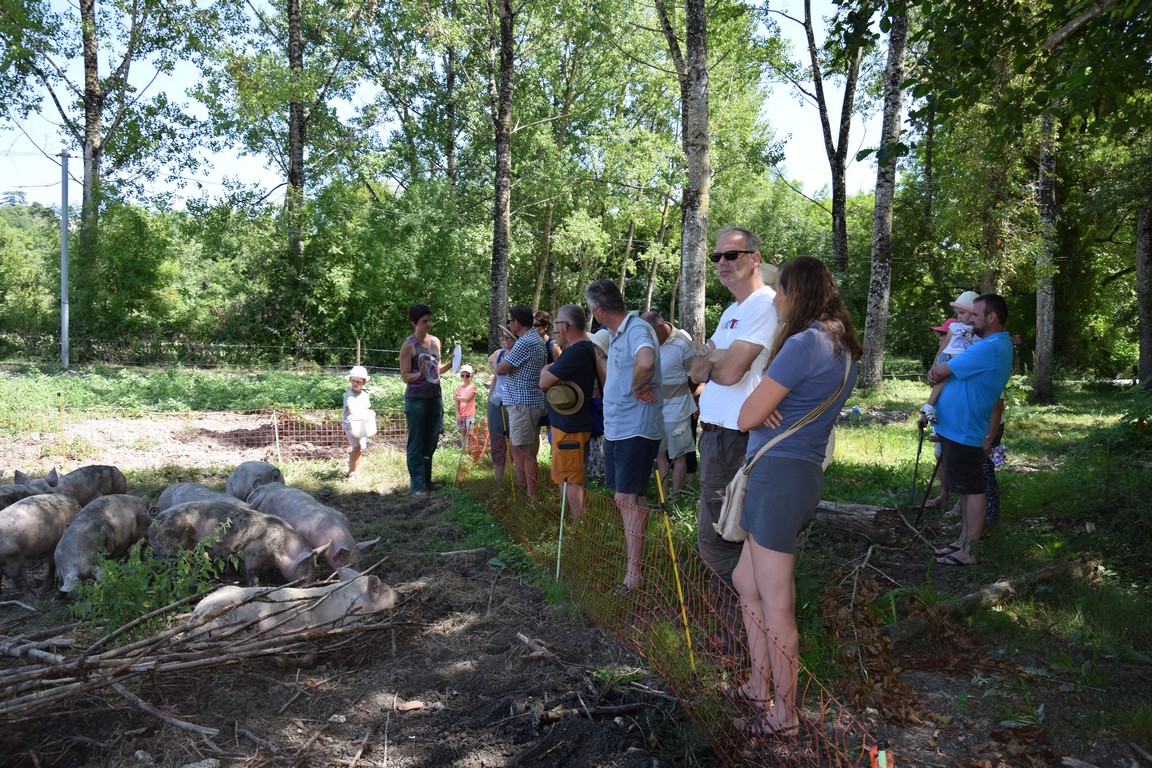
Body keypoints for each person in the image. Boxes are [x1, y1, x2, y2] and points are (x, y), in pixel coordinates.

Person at [729, 255, 861, 737]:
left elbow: (746, 415)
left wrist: (760, 404)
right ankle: (756, 685)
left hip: (777, 478)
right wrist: (765, 403)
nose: (776, 300)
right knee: (746, 580)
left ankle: (783, 715)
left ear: (796, 293)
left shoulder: (804, 342)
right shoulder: (841, 346)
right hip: (799, 474)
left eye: (780, 291)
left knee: (776, 602)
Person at [689, 226, 778, 654]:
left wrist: (716, 359)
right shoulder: (731, 310)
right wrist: (713, 359)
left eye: (732, 255)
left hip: (735, 437)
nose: (722, 263)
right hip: (714, 435)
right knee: (721, 536)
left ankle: (740, 634)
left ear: (755, 258)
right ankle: (741, 628)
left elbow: (726, 373)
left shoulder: (765, 304)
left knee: (721, 538)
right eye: (717, 257)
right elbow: (695, 368)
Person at [922, 294, 1014, 566]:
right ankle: (962, 542)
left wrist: (938, 369)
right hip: (956, 427)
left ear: (991, 317)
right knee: (964, 488)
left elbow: (939, 372)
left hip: (965, 428)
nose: (970, 320)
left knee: (972, 489)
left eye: (975, 315)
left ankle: (969, 551)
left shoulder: (990, 348)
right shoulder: (989, 344)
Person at [585, 278, 663, 592]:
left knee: (625, 499)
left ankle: (633, 576)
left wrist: (635, 387)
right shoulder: (616, 335)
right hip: (619, 428)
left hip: (636, 428)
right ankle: (640, 563)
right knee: (634, 497)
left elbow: (646, 361)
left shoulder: (636, 329)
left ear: (599, 310)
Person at [539, 305, 603, 522]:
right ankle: (571, 522)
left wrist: (546, 369)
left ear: (565, 326)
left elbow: (544, 382)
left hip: (570, 427)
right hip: (569, 425)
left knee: (571, 478)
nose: (555, 329)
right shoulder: (582, 348)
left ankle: (578, 526)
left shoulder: (577, 351)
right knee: (568, 475)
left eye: (557, 324)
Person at [641, 310, 696, 502]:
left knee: (678, 455)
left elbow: (694, 377)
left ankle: (676, 498)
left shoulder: (682, 343)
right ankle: (663, 498)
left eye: (650, 332)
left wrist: (683, 395)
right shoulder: (648, 341)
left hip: (678, 409)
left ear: (660, 326)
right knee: (659, 454)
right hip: (656, 409)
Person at [400, 304, 451, 497]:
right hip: (416, 400)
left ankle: (427, 482)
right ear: (414, 323)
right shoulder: (409, 345)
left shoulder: (436, 342)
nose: (428, 324)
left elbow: (435, 370)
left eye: (430, 320)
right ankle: (418, 486)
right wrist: (419, 374)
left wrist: (452, 363)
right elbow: (405, 376)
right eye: (424, 321)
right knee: (416, 444)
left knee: (431, 441)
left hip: (435, 397)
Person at [496, 305, 548, 497]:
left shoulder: (525, 341)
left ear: (517, 323)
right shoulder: (533, 338)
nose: (509, 325)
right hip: (523, 403)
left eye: (510, 321)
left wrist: (508, 363)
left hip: (523, 404)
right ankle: (522, 489)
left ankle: (531, 496)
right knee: (517, 447)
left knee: (525, 450)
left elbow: (500, 368)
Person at [920, 290, 979, 428]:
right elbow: (944, 346)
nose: (958, 316)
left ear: (974, 313)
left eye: (962, 313)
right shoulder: (955, 327)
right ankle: (929, 406)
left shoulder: (979, 330)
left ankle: (933, 412)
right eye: (957, 313)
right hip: (948, 357)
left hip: (960, 362)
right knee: (941, 382)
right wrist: (934, 365)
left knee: (950, 387)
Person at [487, 329, 516, 481]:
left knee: (514, 442)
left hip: (512, 403)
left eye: (506, 337)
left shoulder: (518, 355)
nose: (503, 340)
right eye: (502, 337)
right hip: (496, 402)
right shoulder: (499, 354)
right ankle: (498, 480)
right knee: (496, 440)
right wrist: (489, 398)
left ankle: (514, 478)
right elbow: (495, 377)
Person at [342, 365, 372, 478]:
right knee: (356, 447)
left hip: (362, 424)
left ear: (364, 382)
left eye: (358, 381)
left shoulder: (364, 395)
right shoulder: (349, 395)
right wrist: (357, 418)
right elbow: (350, 409)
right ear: (350, 380)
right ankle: (351, 472)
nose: (355, 384)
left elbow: (367, 409)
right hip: (351, 425)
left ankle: (356, 470)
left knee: (361, 448)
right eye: (353, 381)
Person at [453, 364, 477, 448]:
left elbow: (467, 399)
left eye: (467, 375)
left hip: (470, 414)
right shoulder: (459, 388)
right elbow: (457, 403)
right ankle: (465, 449)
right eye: (462, 375)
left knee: (470, 432)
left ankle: (474, 446)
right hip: (461, 414)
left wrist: (456, 397)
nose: (464, 378)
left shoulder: (472, 387)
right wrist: (457, 414)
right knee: (463, 432)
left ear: (471, 376)